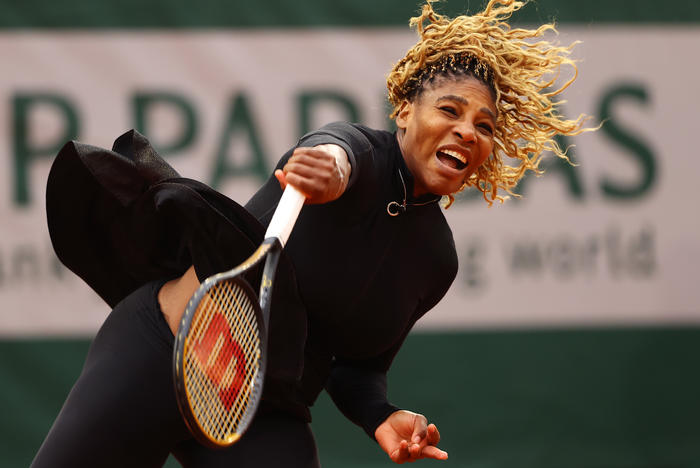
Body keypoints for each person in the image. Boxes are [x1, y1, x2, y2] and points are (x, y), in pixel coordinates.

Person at [31, 0, 589, 466]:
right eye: (450, 110)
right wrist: (326, 172)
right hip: (163, 352)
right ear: (404, 111)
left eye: (484, 126)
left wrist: (381, 414)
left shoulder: (435, 260)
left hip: (261, 410)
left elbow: (357, 367)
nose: (467, 131)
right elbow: (333, 152)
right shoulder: (358, 152)